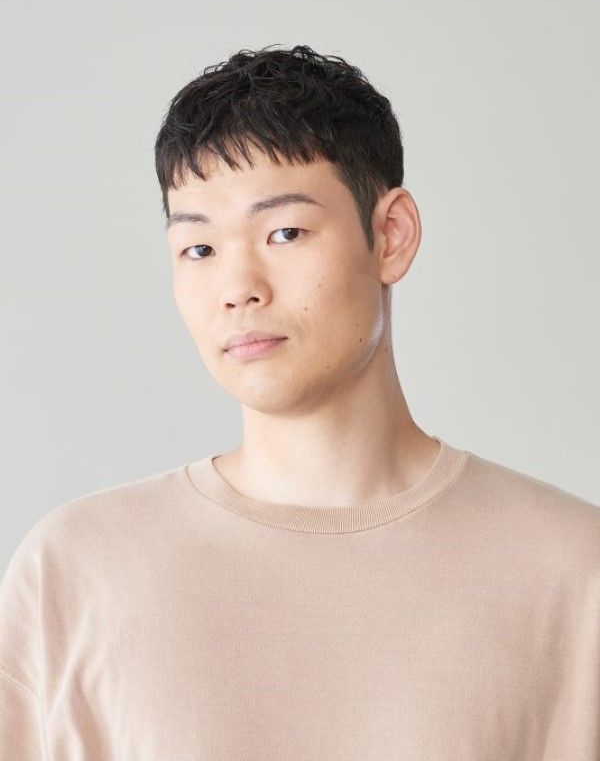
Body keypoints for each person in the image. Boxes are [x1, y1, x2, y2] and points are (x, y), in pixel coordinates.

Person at [1, 44, 598, 760]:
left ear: (391, 236)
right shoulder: (75, 571)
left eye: (284, 232)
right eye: (199, 249)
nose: (238, 288)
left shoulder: (572, 571)